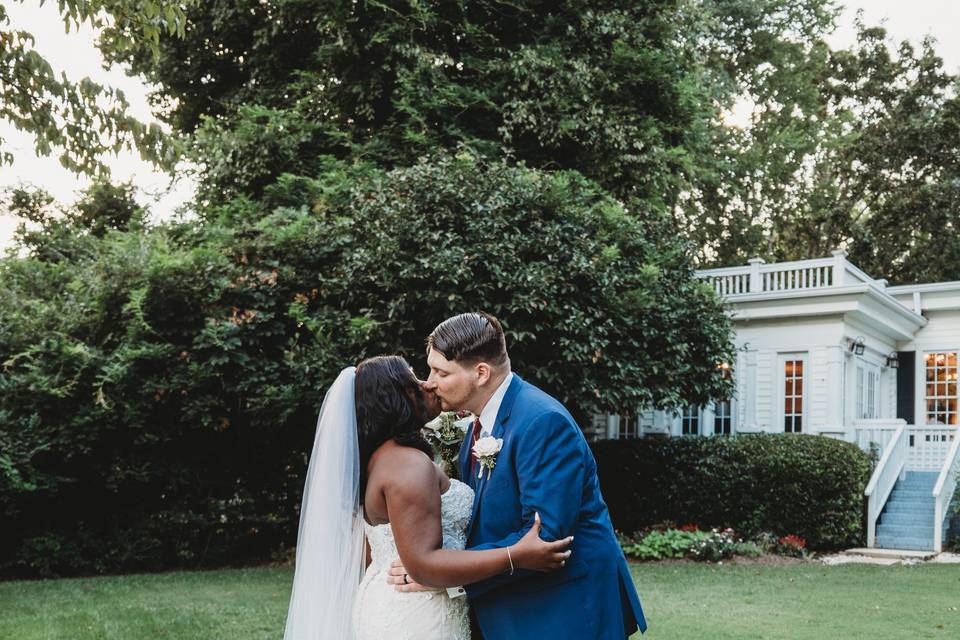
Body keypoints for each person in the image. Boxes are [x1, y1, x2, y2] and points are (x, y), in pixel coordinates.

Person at [389, 312, 647, 638]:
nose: (429, 382)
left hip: (563, 611)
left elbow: (545, 538)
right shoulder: (477, 428)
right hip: (512, 607)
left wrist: (443, 574)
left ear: (481, 373)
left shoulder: (542, 422)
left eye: (441, 371)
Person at [282, 355, 572, 640]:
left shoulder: (380, 460)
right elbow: (423, 565)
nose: (427, 385)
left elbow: (377, 551)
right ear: (394, 398)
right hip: (416, 616)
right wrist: (516, 555)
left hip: (388, 602)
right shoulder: (407, 465)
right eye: (414, 380)